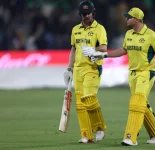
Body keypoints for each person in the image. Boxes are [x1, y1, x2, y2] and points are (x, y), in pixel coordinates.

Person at [82, 7, 155, 146]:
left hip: (146, 73)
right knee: (141, 104)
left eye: (129, 17)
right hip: (132, 74)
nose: (126, 19)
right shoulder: (129, 34)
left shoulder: (151, 35)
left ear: (137, 19)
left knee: (136, 102)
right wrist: (103, 54)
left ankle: (130, 137)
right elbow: (122, 51)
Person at [63, 0, 107, 143]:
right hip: (78, 69)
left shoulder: (99, 28)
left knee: (89, 97)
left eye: (88, 13)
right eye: (83, 14)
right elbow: (73, 50)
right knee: (80, 104)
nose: (86, 16)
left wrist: (94, 50)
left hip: (93, 67)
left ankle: (99, 127)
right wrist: (69, 68)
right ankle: (86, 136)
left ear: (93, 13)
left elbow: (104, 47)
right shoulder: (75, 29)